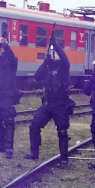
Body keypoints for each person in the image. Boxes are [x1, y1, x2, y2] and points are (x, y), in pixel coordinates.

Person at [27, 35, 72, 167]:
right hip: (47, 103)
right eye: (52, 53)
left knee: (62, 131)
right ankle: (34, 153)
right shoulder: (47, 66)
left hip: (60, 104)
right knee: (34, 126)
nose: (54, 56)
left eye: (55, 54)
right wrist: (44, 62)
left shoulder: (63, 67)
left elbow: (65, 58)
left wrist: (56, 45)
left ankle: (64, 159)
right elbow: (36, 76)